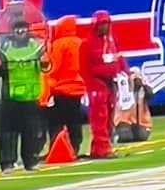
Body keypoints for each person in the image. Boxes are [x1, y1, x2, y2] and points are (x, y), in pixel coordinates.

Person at [0, 12, 47, 172]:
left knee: (30, 131)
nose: (20, 31)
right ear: (12, 31)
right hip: (10, 94)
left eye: (23, 28)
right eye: (17, 28)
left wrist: (45, 63)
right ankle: (7, 163)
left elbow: (46, 67)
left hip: (30, 94)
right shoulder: (5, 47)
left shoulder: (36, 46)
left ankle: (30, 161)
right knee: (8, 132)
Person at [80, 10, 125, 159]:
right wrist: (90, 85)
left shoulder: (112, 41)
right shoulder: (88, 44)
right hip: (96, 84)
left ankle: (98, 147)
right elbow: (84, 68)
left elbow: (119, 59)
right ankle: (102, 148)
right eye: (102, 23)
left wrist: (126, 72)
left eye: (107, 23)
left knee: (109, 116)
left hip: (110, 82)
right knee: (99, 117)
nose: (105, 26)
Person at [45, 14, 87, 155]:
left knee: (56, 122)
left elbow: (53, 67)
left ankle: (55, 149)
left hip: (61, 89)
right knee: (74, 122)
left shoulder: (59, 44)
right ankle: (74, 147)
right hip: (77, 89)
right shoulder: (80, 43)